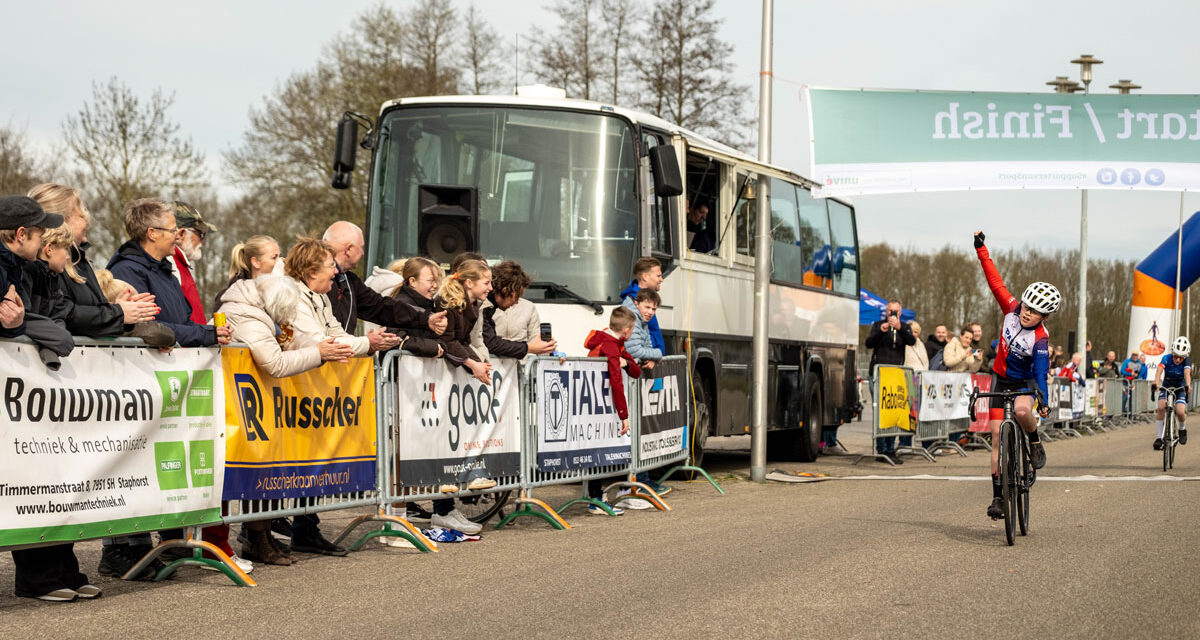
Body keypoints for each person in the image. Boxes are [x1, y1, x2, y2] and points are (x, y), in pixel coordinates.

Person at [0, 198, 100, 603]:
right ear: (23, 235)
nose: (45, 240)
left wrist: (24, 324)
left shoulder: (27, 269)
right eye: (41, 232)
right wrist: (25, 327)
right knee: (31, 479)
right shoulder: (14, 268)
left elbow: (29, 316)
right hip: (19, 393)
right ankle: (37, 576)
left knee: (55, 478)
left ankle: (63, 568)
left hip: (35, 391)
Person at [219, 271, 355, 564]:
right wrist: (319, 353)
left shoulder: (259, 311)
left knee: (266, 469)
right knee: (256, 471)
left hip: (259, 403)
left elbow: (290, 339)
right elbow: (275, 363)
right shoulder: (249, 319)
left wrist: (324, 347)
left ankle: (262, 534)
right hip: (243, 406)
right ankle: (255, 537)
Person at [973, 231, 1057, 521]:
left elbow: (1041, 371)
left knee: (1022, 411)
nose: (1027, 313)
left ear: (1044, 317)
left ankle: (1033, 440)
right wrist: (981, 250)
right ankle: (998, 496)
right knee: (997, 436)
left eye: (1036, 312)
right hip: (1000, 377)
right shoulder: (1011, 309)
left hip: (1024, 382)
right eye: (1027, 306)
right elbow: (995, 281)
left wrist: (1043, 399)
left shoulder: (1041, 339)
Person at [618, 257, 672, 493]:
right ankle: (636, 483)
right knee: (635, 429)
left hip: (641, 370)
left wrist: (653, 354)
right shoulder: (633, 304)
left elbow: (647, 337)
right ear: (644, 277)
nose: (661, 279)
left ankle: (641, 479)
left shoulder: (644, 301)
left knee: (641, 429)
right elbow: (633, 347)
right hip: (632, 375)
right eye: (658, 274)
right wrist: (656, 353)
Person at [582, 306, 643, 515]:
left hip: (598, 406)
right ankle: (595, 500)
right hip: (600, 407)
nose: (632, 333)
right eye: (632, 329)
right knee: (597, 452)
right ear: (626, 330)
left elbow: (636, 371)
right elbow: (617, 383)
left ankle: (598, 497)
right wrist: (624, 415)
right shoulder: (611, 347)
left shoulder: (613, 342)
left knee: (599, 452)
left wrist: (626, 363)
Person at [864, 299, 916, 463]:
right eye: (889, 311)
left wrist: (899, 327)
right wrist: (881, 331)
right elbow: (868, 343)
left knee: (893, 411)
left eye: (895, 311)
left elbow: (912, 341)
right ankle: (882, 449)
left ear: (900, 312)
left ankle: (890, 448)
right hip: (879, 375)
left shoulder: (905, 327)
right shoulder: (878, 325)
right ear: (886, 312)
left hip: (895, 377)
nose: (892, 314)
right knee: (881, 411)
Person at [481, 259, 556, 358]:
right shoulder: (482, 306)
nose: (517, 302)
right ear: (505, 290)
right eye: (516, 296)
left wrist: (549, 351)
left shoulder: (489, 305)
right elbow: (491, 344)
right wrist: (528, 348)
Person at [169, 201, 215, 324]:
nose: (203, 242)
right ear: (181, 234)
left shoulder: (180, 263)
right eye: (200, 234)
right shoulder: (170, 264)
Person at [212, 234, 280, 310]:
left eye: (279, 256)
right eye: (274, 257)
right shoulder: (226, 298)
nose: (280, 261)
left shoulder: (281, 294)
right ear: (256, 262)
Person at [1152, 337, 1192, 450]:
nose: (1178, 360)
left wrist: (1188, 385)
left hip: (1180, 386)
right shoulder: (1166, 358)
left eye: (1181, 357)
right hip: (1167, 384)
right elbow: (1159, 371)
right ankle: (1159, 437)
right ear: (1172, 353)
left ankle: (1182, 429)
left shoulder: (1187, 361)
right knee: (1161, 407)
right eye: (1175, 356)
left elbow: (1187, 373)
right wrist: (1156, 383)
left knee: (1180, 411)